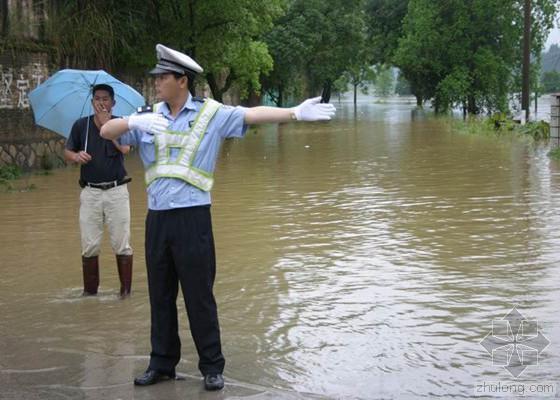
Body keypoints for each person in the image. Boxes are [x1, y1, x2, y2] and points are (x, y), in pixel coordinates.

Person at [100, 44, 335, 391]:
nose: (157, 84)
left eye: (163, 78)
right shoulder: (147, 116)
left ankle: (212, 366)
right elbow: (107, 132)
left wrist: (294, 114)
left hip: (193, 219)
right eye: (157, 78)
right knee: (160, 296)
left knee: (199, 295)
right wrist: (133, 120)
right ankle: (161, 363)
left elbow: (252, 115)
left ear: (182, 81)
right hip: (158, 220)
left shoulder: (211, 114)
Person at [64, 83, 133, 298]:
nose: (101, 103)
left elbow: (125, 149)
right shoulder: (81, 126)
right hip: (90, 192)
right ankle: (90, 294)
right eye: (97, 99)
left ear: (113, 102)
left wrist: (108, 128)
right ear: (92, 102)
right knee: (89, 245)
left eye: (105, 99)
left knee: (122, 243)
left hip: (117, 191)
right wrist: (76, 157)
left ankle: (125, 294)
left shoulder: (121, 124)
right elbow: (68, 150)